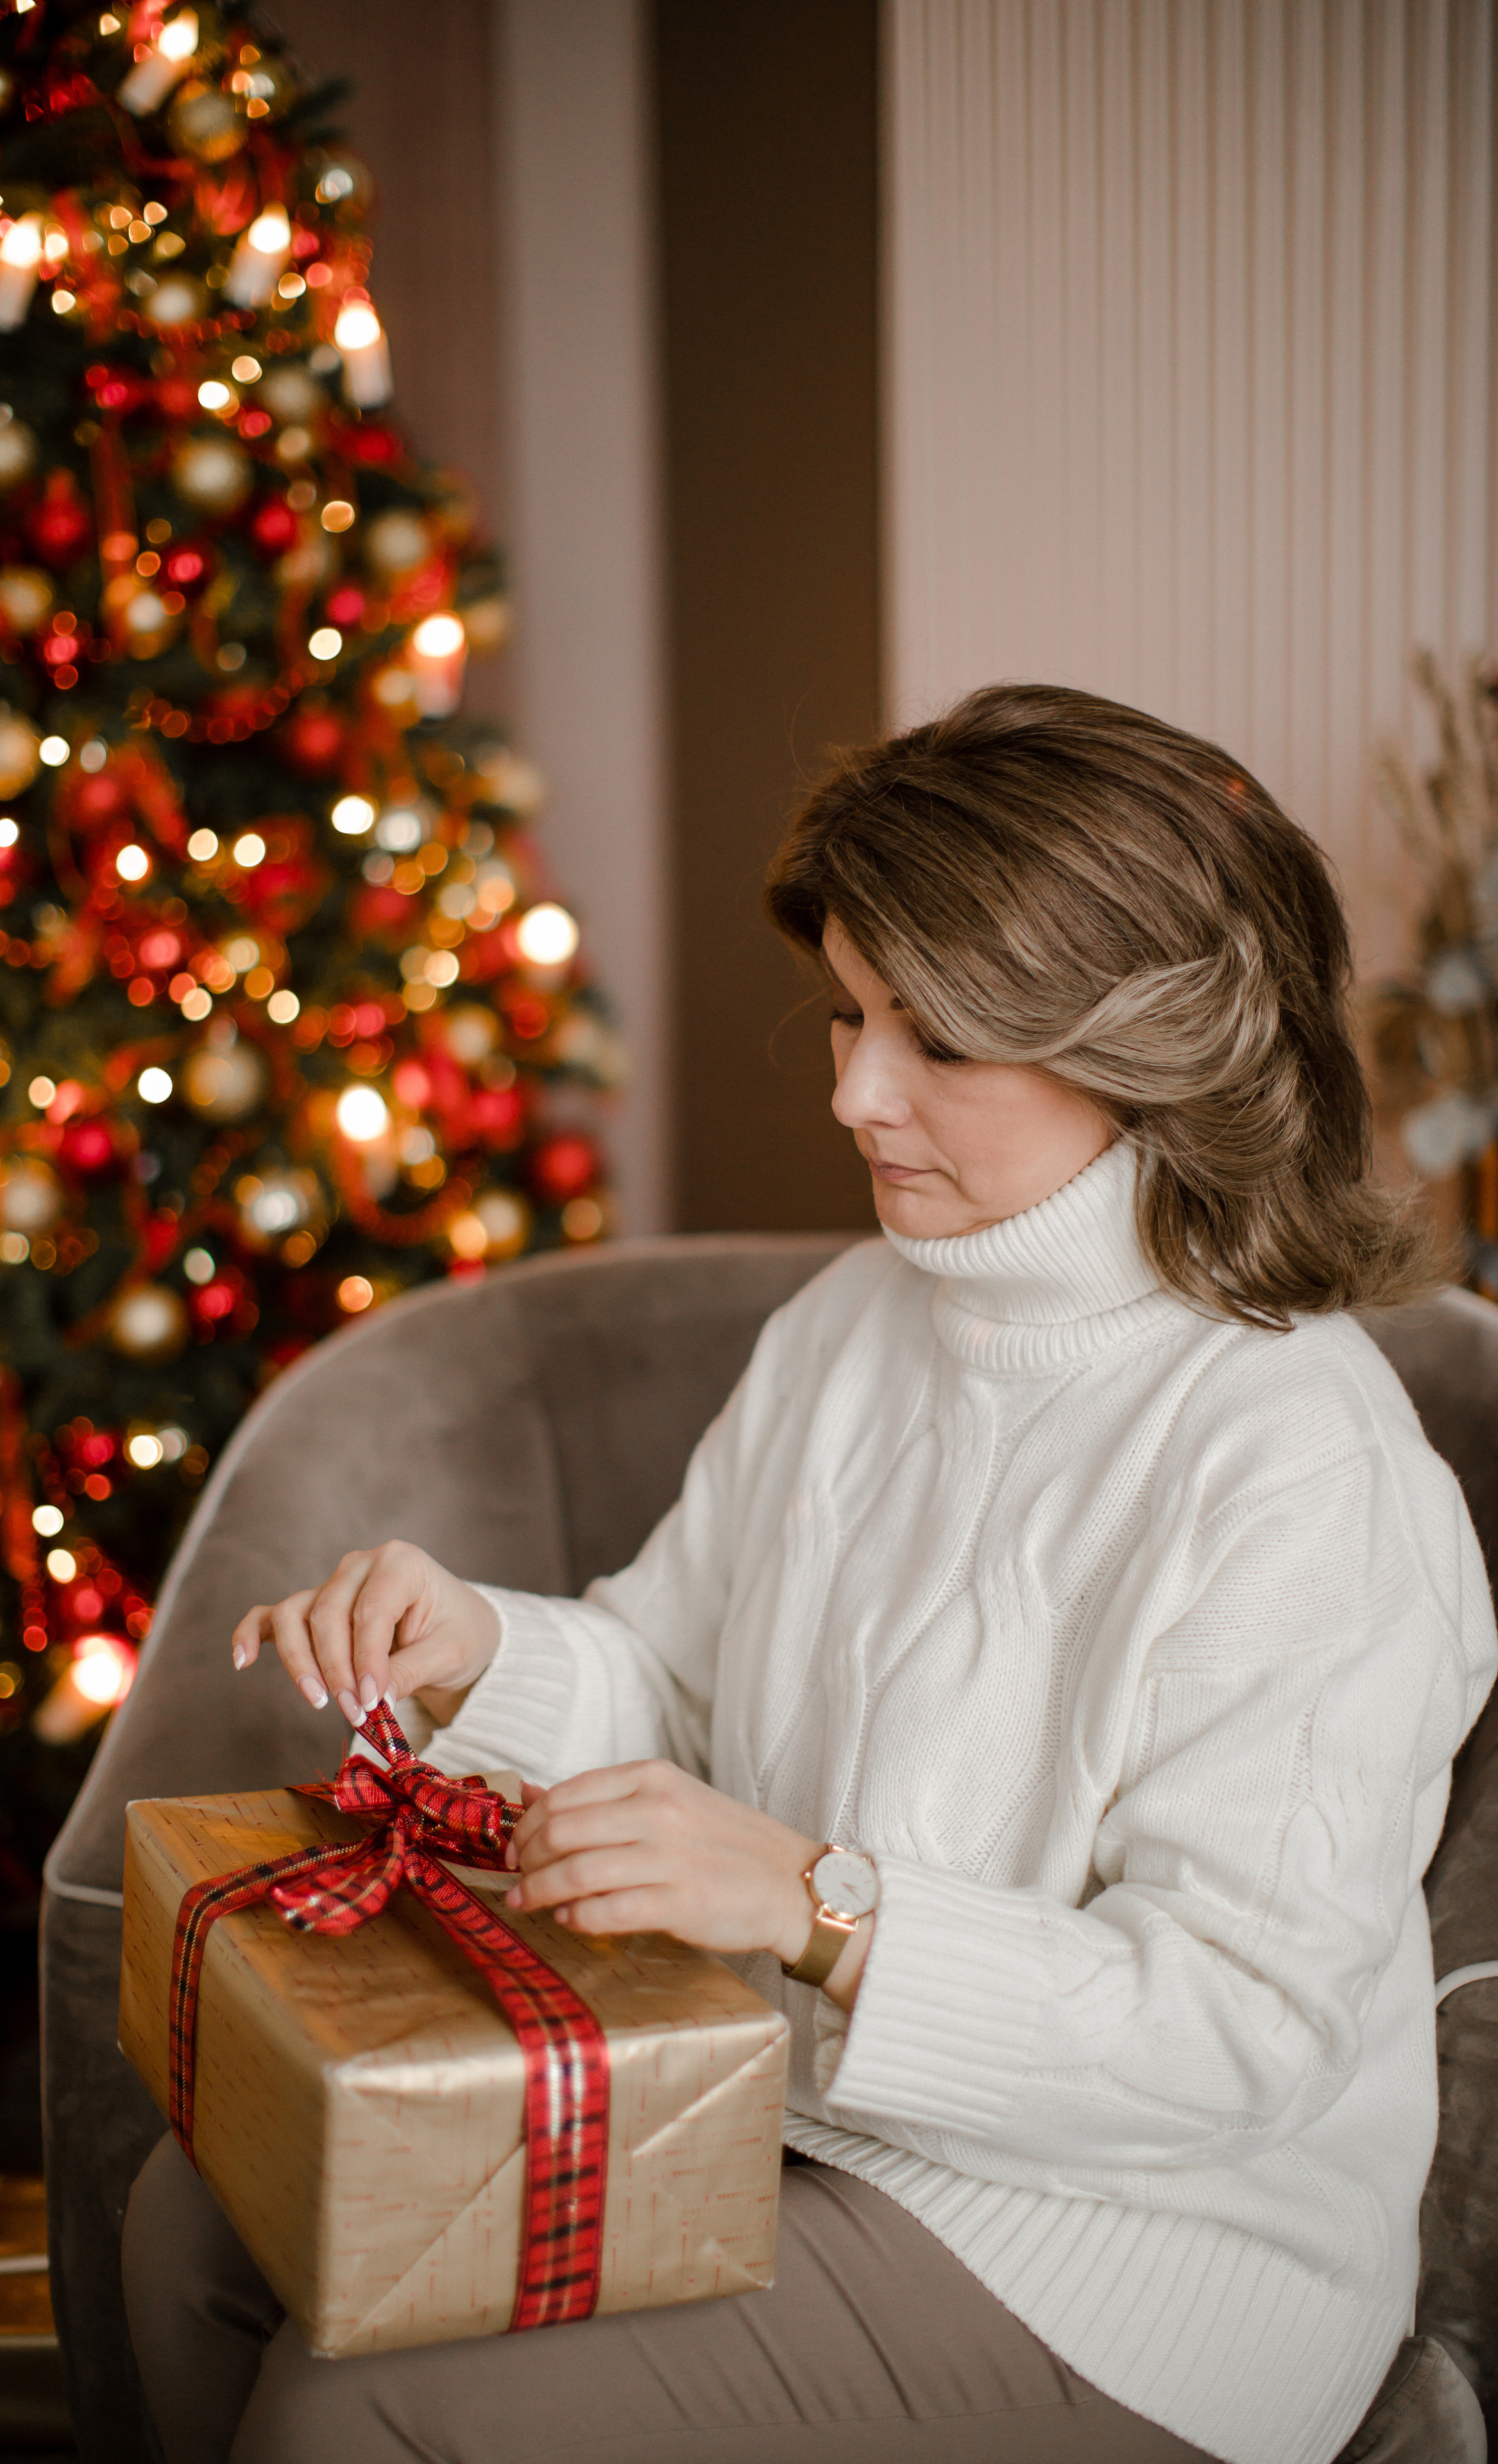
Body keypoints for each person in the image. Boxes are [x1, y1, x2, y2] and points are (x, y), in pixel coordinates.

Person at [123, 684, 1497, 2464]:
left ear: (1149, 1050)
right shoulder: (863, 1318)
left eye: (939, 1040)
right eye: (852, 1012)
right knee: (204, 2215)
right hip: (787, 2110)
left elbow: (1241, 2034)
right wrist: (477, 1655)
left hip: (1145, 2255)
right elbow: (682, 1698)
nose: (854, 1092)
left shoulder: (1307, 1467)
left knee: (359, 2404)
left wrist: (822, 1910)